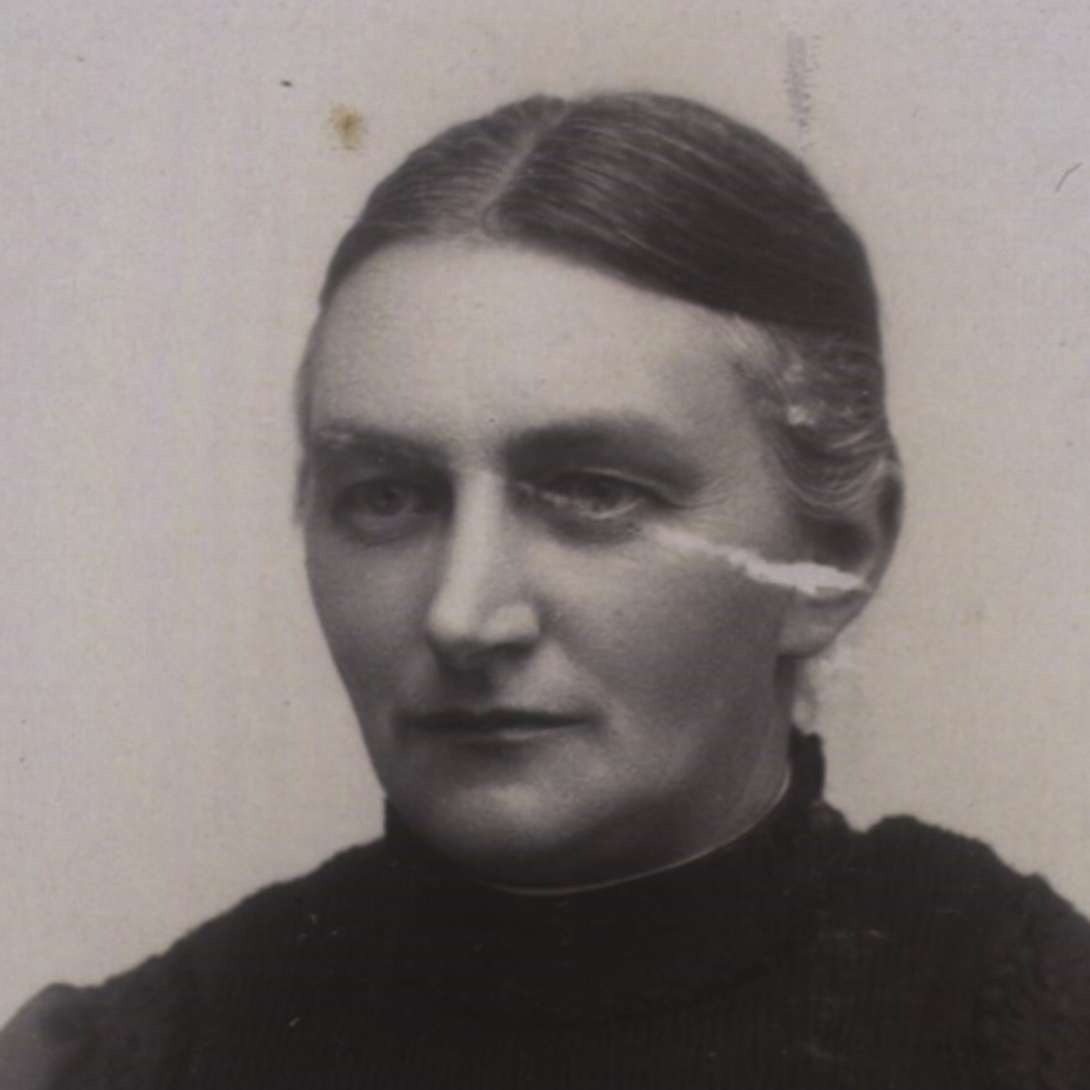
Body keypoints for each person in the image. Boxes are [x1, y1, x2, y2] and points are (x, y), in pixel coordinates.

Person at [2, 91, 1089, 1089]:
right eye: (386, 497)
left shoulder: (1028, 1031)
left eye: (593, 492)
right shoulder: (122, 1063)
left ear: (835, 559)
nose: (462, 616)